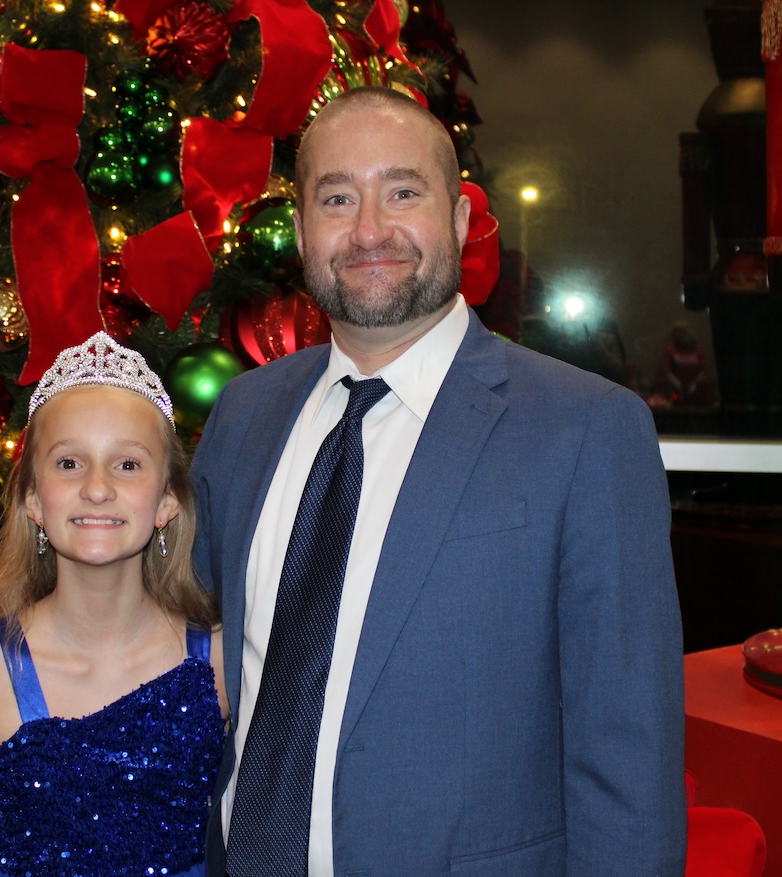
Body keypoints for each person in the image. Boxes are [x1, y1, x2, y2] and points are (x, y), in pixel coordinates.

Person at [191, 87, 686, 875]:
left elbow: (630, 758)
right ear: (302, 232)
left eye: (403, 192)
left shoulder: (586, 430)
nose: (369, 230)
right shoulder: (244, 416)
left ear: (458, 221)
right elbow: (183, 659)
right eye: (337, 198)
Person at [0, 332, 229, 877]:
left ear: (166, 502)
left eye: (127, 464)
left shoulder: (225, 663)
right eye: (68, 463)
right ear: (33, 500)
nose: (97, 488)